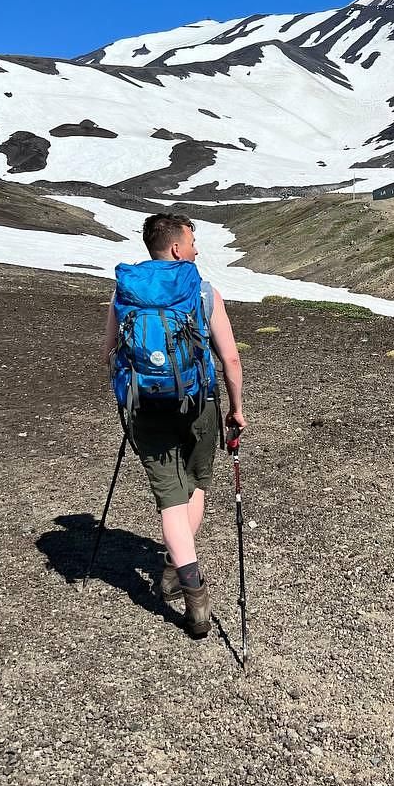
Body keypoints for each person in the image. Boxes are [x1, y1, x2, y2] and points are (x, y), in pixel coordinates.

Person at [102, 213, 246, 637]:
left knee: (170, 498)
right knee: (197, 485)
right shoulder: (203, 292)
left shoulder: (124, 293)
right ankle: (183, 579)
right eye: (193, 241)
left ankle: (186, 581)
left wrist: (130, 389)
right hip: (198, 403)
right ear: (178, 248)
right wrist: (236, 410)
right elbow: (231, 360)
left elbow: (107, 351)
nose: (197, 249)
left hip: (145, 407)